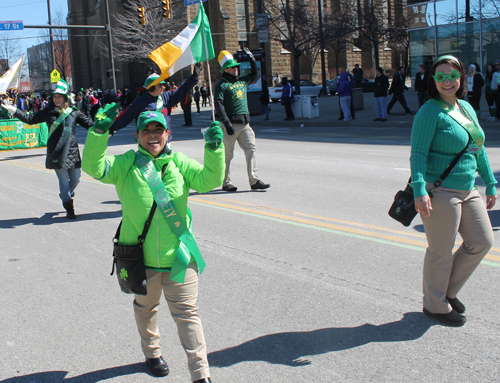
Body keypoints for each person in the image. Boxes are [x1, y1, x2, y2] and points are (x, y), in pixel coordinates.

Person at [82, 107, 222, 383]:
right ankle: (152, 353)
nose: (153, 135)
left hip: (180, 258)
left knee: (188, 315)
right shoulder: (127, 164)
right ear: (137, 135)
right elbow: (94, 168)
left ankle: (200, 374)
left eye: (158, 129)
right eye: (146, 130)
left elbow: (210, 180)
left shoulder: (180, 162)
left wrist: (214, 149)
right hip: (140, 260)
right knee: (146, 309)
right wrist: (98, 134)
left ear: (168, 133)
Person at [411, 55, 496, 327]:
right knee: (440, 251)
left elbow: (477, 149)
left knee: (482, 242)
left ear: (461, 78)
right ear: (433, 81)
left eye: (452, 76)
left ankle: (446, 291)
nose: (447, 81)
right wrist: (419, 189)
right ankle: (434, 305)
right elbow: (418, 154)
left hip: (468, 189)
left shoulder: (467, 109)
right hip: (440, 191)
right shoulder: (429, 111)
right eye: (441, 76)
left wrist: (491, 182)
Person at [1, 79, 94, 219]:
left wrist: (104, 127)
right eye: (55, 96)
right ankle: (70, 209)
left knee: (76, 179)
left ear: (65, 98)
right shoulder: (48, 112)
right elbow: (30, 118)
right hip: (56, 150)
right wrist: (15, 110)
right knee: (63, 181)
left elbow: (89, 124)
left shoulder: (73, 112)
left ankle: (65, 194)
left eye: (59, 96)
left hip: (72, 150)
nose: (56, 99)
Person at [214, 48, 270, 192]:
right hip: (229, 125)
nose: (236, 69)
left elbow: (255, 74)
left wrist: (251, 59)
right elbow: (218, 105)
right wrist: (226, 123)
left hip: (244, 125)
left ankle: (254, 180)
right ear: (226, 69)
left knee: (251, 150)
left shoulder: (243, 81)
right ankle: (226, 182)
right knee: (227, 155)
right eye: (233, 67)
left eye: (237, 67)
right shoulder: (222, 85)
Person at [108, 64, 200, 136]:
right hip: (147, 143)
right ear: (151, 88)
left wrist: (194, 77)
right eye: (160, 85)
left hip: (165, 142)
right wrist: (109, 128)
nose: (163, 87)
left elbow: (182, 90)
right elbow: (125, 118)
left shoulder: (167, 97)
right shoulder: (139, 102)